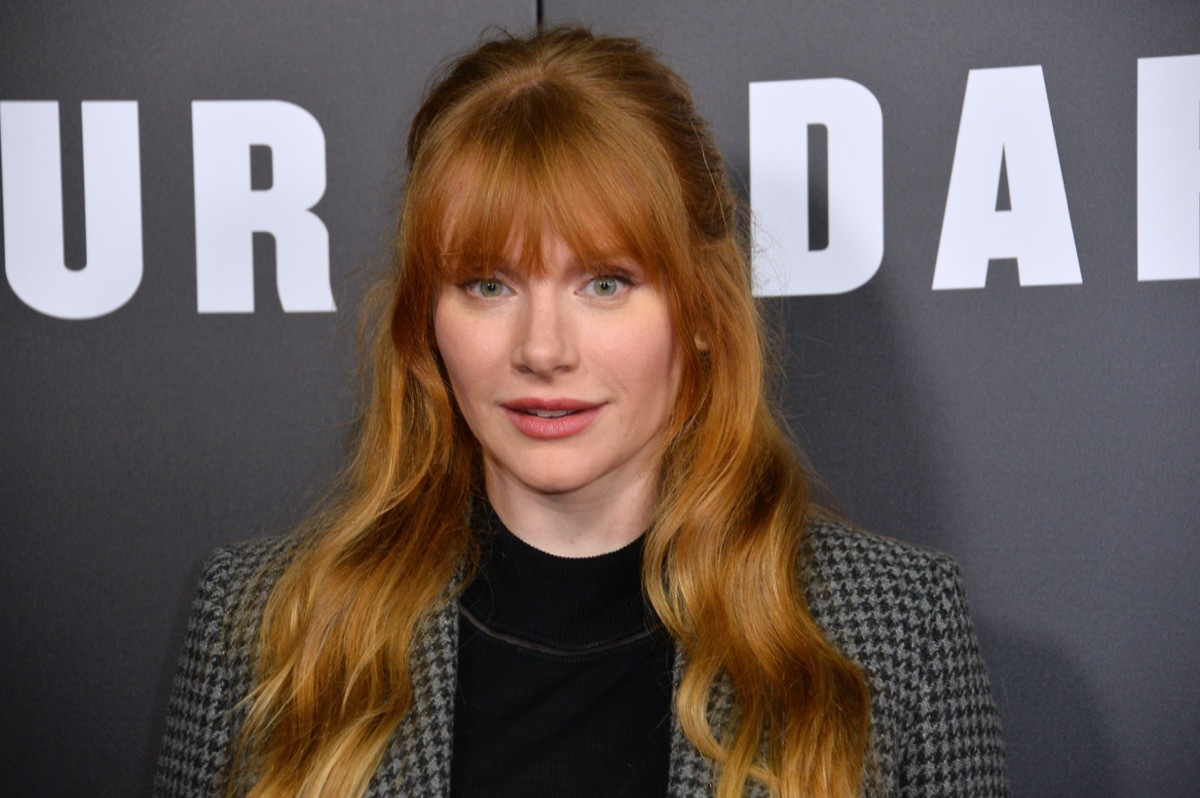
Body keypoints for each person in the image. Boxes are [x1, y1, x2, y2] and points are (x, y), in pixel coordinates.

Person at [155, 25, 1007, 798]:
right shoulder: (265, 630)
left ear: (701, 312)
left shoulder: (894, 634)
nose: (542, 349)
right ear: (425, 320)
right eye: (487, 284)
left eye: (605, 283)